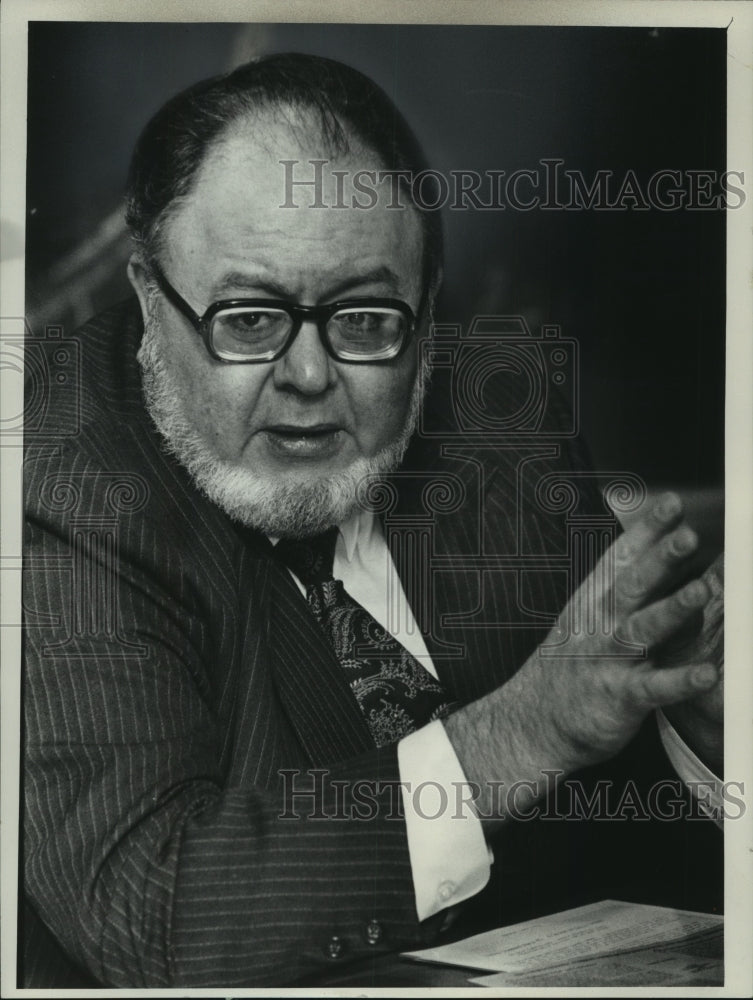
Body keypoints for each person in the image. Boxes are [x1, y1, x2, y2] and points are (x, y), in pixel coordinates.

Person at [21, 53, 723, 988]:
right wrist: (517, 736)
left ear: (427, 312)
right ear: (153, 300)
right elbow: (149, 906)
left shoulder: (493, 421)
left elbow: (617, 819)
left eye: (362, 318)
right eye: (248, 317)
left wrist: (707, 737)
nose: (309, 377)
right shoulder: (56, 486)